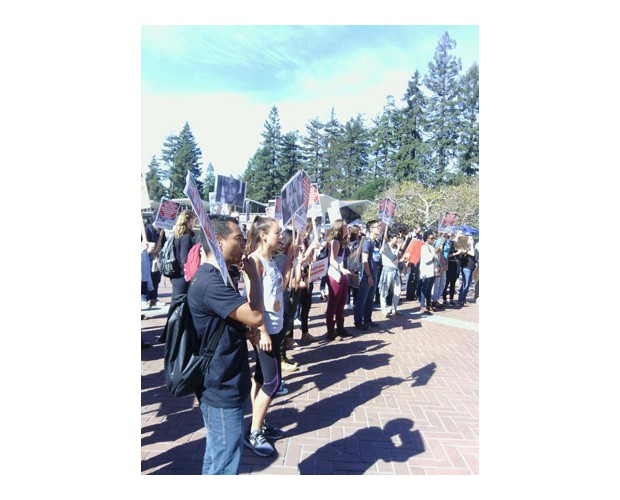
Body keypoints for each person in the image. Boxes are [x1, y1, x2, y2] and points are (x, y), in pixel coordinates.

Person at [187, 215, 263, 475]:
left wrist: (242, 331)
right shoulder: (211, 282)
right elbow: (256, 315)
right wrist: (253, 274)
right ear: (218, 241)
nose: (244, 244)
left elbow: (224, 322)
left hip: (222, 381)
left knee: (216, 456)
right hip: (221, 386)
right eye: (239, 238)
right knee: (224, 463)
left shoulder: (216, 276)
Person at [244, 216, 288, 457]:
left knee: (261, 378)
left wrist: (297, 258)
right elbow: (253, 300)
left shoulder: (271, 260)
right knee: (272, 382)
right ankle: (254, 432)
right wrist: (261, 331)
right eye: (277, 232)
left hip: (276, 326)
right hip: (265, 330)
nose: (280, 236)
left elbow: (279, 291)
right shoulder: (255, 261)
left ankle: (258, 422)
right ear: (263, 235)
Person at [325, 219, 353, 341]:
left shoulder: (341, 241)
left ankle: (340, 328)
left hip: (341, 274)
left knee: (341, 303)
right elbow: (332, 260)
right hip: (335, 274)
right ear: (340, 228)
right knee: (333, 304)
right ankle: (331, 331)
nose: (348, 228)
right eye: (346, 226)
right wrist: (342, 269)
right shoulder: (335, 241)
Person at [353, 220, 382, 330]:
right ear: (371, 229)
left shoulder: (376, 242)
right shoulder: (367, 242)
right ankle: (358, 321)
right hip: (367, 275)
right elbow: (365, 260)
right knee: (362, 299)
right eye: (377, 227)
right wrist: (368, 275)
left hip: (374, 273)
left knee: (370, 299)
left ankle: (367, 319)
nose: (379, 228)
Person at [171, 209, 197, 300]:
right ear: (189, 221)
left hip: (176, 274)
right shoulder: (186, 237)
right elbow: (184, 259)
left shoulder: (176, 235)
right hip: (182, 275)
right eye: (194, 220)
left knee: (176, 302)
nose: (195, 223)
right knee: (180, 304)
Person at [378, 229, 402, 317]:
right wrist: (399, 248)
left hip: (395, 271)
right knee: (384, 291)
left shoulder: (395, 247)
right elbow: (392, 257)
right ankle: (384, 309)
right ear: (391, 238)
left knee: (397, 290)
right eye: (397, 238)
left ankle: (394, 308)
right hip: (387, 271)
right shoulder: (386, 246)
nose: (398, 240)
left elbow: (397, 260)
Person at [144, 216, 166, 308]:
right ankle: (146, 298)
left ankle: (153, 298)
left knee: (156, 279)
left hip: (157, 258)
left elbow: (164, 242)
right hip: (148, 258)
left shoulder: (161, 231)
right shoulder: (147, 229)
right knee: (148, 279)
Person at [419, 231, 439, 314]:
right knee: (424, 289)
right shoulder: (424, 247)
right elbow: (426, 259)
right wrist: (434, 253)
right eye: (431, 238)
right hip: (426, 271)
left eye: (434, 238)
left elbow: (435, 259)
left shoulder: (432, 247)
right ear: (427, 239)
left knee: (429, 289)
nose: (433, 240)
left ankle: (428, 304)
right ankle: (422, 305)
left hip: (432, 271)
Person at [443, 230, 464, 306]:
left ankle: (451, 299)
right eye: (460, 234)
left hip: (458, 264)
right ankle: (444, 299)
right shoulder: (451, 243)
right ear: (456, 235)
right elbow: (447, 255)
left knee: (453, 283)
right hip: (451, 263)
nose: (462, 235)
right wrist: (456, 253)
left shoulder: (461, 243)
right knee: (446, 282)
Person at [431, 232, 450, 310]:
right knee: (437, 284)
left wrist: (446, 263)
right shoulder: (440, 241)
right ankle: (434, 300)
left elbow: (446, 254)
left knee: (443, 283)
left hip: (444, 263)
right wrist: (443, 263)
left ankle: (437, 299)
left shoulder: (446, 241)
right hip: (440, 263)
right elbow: (440, 253)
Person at [458, 235, 477, 306]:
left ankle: (463, 299)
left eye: (472, 238)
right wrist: (471, 245)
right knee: (465, 284)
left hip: (472, 267)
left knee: (468, 284)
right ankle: (460, 300)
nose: (472, 240)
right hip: (466, 268)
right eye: (470, 239)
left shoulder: (472, 247)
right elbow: (472, 253)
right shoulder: (464, 247)